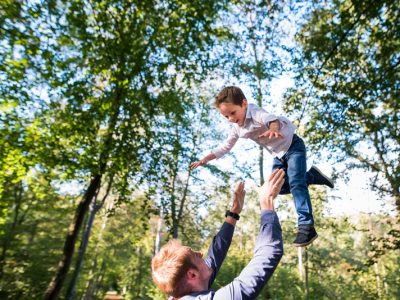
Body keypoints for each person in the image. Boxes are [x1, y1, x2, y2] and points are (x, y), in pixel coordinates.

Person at [191, 86, 334, 247]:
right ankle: (312, 176)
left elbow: (272, 119)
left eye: (233, 113)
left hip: (293, 146)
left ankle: (306, 226)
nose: (230, 119)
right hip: (278, 155)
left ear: (244, 104)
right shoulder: (237, 128)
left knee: (296, 183)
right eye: (226, 116)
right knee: (275, 188)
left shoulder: (254, 111)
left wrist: (273, 129)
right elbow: (225, 146)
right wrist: (206, 159)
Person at [152, 169, 285, 299]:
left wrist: (233, 213)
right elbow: (269, 251)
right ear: (192, 275)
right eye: (195, 255)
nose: (201, 253)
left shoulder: (181, 293)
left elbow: (215, 253)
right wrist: (266, 202)